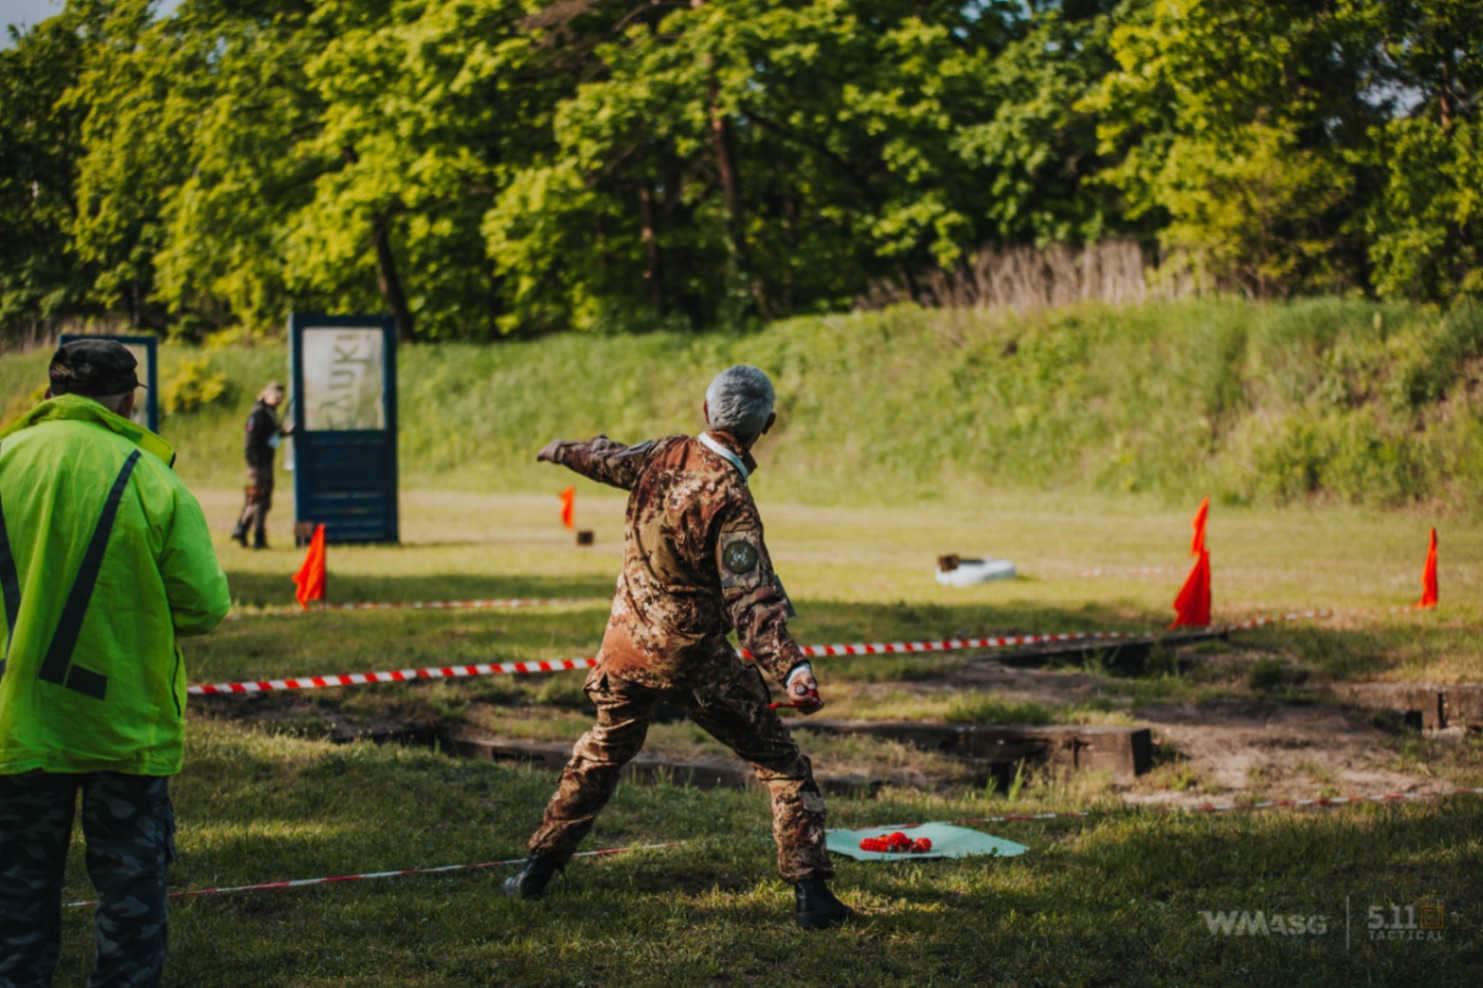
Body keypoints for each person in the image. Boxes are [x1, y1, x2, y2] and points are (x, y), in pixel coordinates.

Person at [504, 365, 854, 930]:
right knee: (784, 766)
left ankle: (534, 872)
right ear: (767, 424)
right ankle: (812, 897)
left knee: (600, 754)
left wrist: (562, 451)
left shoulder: (662, 453)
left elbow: (605, 458)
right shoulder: (732, 500)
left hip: (624, 651)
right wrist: (793, 669)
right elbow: (752, 601)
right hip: (694, 662)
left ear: (705, 411)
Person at [0, 339, 231, 987]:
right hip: (124, 725)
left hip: (16, 723)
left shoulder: (4, 461)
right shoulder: (152, 476)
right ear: (129, 402)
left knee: (15, 899)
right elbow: (204, 606)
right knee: (130, 900)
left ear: (50, 394)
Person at [230, 381, 292, 549]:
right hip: (259, 464)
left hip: (265, 462)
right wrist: (251, 465)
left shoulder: (270, 412)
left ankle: (241, 529)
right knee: (260, 501)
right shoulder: (258, 413)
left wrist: (285, 433)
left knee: (258, 499)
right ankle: (257, 536)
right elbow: (249, 441)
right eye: (276, 397)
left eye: (281, 398)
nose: (279, 401)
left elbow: (270, 437)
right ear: (266, 395)